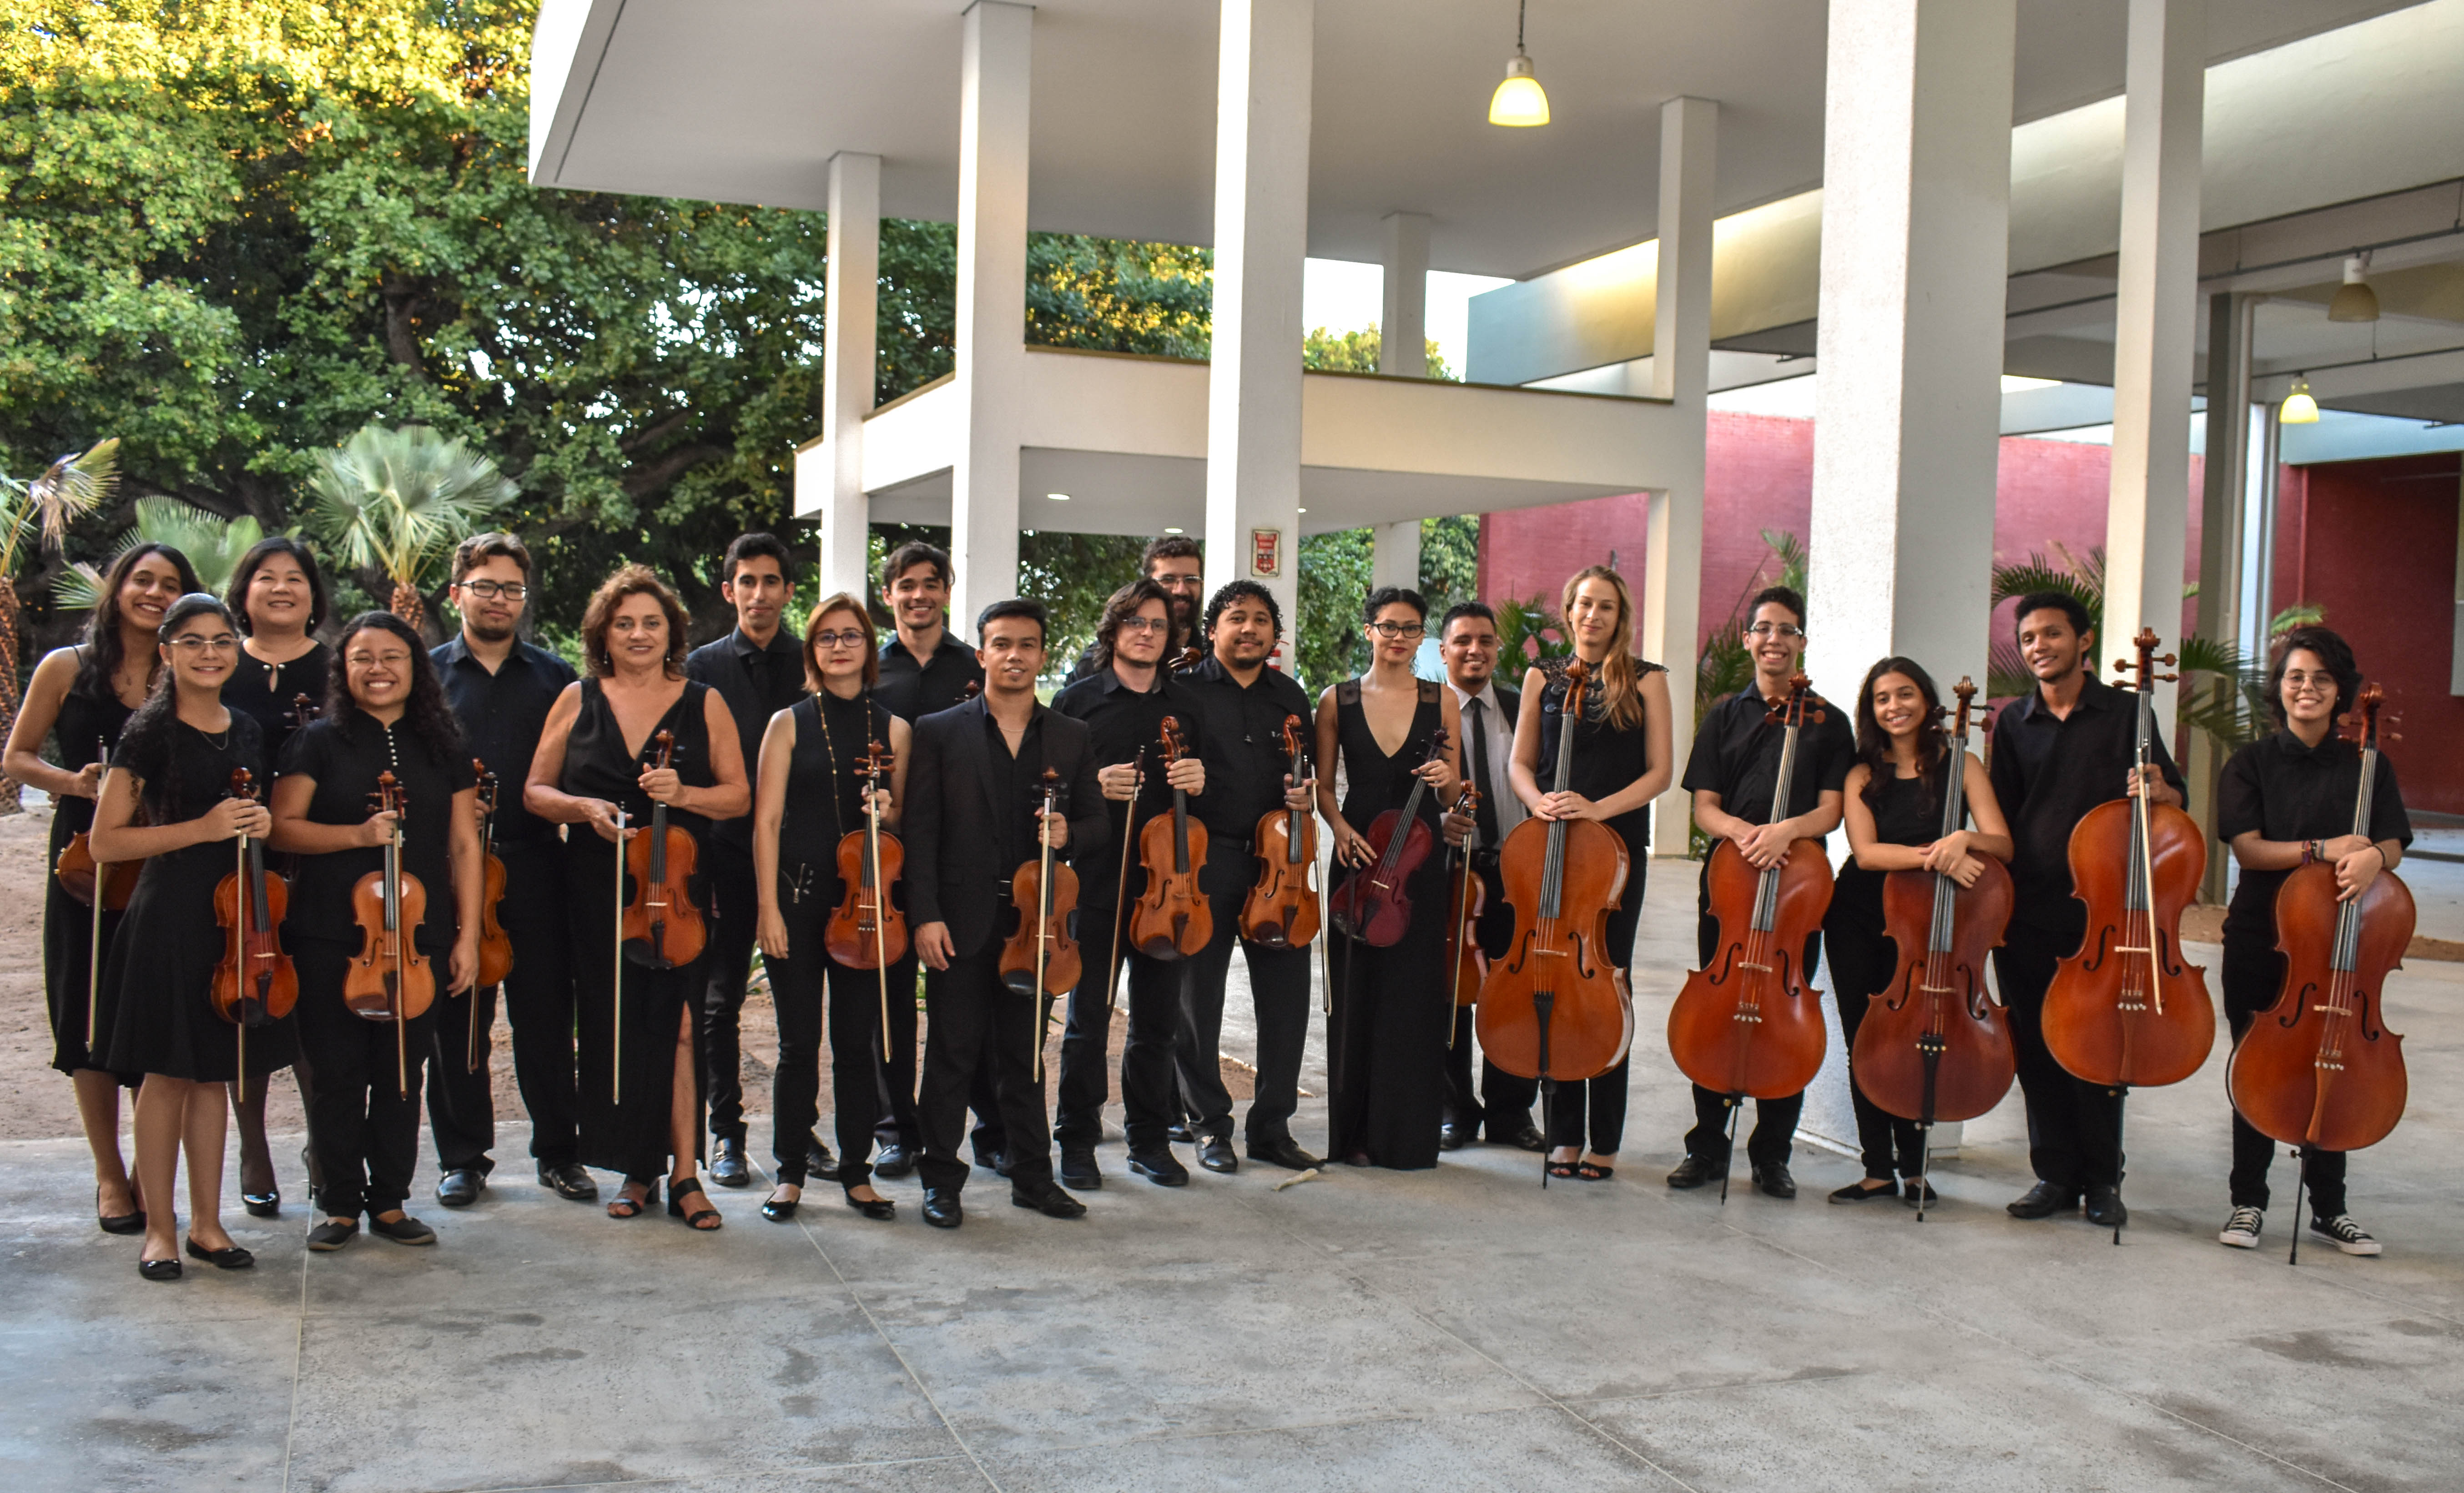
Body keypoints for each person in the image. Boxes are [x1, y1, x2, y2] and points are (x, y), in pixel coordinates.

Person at [525, 566, 751, 1230]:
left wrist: (683, 795)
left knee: (680, 1027)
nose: (639, 633)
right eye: (624, 622)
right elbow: (536, 790)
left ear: (672, 630)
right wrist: (582, 805)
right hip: (597, 887)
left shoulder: (703, 700)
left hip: (678, 885)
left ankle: (685, 1172)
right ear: (603, 633)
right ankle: (636, 1166)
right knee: (617, 1029)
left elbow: (738, 794)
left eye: (652, 622)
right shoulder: (577, 696)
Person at [90, 592, 295, 1279]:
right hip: (171, 912)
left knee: (214, 1074)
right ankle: (160, 1229)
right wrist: (205, 827)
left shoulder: (243, 727)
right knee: (167, 1074)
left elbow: (248, 810)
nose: (210, 652)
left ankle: (209, 1224)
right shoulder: (148, 733)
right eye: (194, 641)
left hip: (232, 918)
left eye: (222, 640)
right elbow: (104, 841)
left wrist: (257, 823)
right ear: (169, 651)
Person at [4, 543, 198, 1239]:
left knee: (150, 1008)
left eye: (169, 584)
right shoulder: (67, 667)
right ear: (118, 587)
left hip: (162, 858)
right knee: (85, 1012)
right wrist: (74, 782)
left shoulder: (188, 668)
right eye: (142, 579)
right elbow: (17, 756)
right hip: (85, 859)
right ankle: (111, 1175)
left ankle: (152, 1174)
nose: (154, 591)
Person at [271, 612, 482, 1252]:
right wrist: (357, 837)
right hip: (330, 933)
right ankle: (337, 1203)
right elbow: (281, 827)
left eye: (392, 656)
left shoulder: (444, 746)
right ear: (344, 668)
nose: (378, 668)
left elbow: (465, 845)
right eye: (362, 657)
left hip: (419, 936)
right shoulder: (317, 740)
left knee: (401, 1071)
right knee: (336, 1071)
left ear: (416, 667)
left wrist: (468, 934)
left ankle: (389, 1200)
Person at [902, 599, 1106, 1229]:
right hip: (959, 920)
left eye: (1027, 644)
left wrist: (1069, 830)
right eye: (1001, 643)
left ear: (1043, 654)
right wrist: (925, 915)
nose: (1014, 654)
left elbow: (1100, 824)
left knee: (1023, 1054)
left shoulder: (1071, 736)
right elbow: (920, 831)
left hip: (1035, 925)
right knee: (952, 1054)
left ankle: (1032, 1177)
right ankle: (940, 1179)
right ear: (982, 653)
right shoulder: (939, 729)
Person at [1988, 591, 2183, 1229]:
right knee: (2038, 1046)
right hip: (2028, 908)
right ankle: (2053, 1173)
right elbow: (2003, 819)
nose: (2038, 645)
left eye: (2051, 633)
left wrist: (2159, 789)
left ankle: (2103, 1178)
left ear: (2084, 640)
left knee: (2098, 1049)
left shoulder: (2129, 711)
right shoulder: (2013, 722)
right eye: (2029, 636)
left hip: (2103, 916)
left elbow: (2173, 797)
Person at [2214, 626, 2409, 1257]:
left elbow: (2393, 841)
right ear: (2280, 688)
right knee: (2259, 1065)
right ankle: (2248, 1200)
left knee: (2335, 1058)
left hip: (2340, 944)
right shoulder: (2250, 762)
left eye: (2321, 678)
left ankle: (2330, 1207)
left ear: (2340, 691)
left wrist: (2376, 857)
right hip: (2259, 938)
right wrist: (2322, 850)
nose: (2307, 687)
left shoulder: (2367, 766)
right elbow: (2247, 846)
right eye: (2296, 676)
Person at [1670, 584, 1853, 1199]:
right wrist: (1745, 833)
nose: (1775, 638)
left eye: (1788, 629)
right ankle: (1707, 1147)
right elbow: (1704, 806)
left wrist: (1786, 832)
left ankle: (1773, 1154)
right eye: (1764, 627)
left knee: (1785, 1015)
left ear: (1802, 642)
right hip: (1729, 883)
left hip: (1798, 888)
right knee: (1718, 1008)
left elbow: (1831, 812)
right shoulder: (1725, 712)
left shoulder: (1830, 720)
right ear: (1748, 638)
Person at [428, 533, 588, 1206]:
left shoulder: (557, 678)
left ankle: (558, 1150)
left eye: (512, 589)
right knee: (459, 1015)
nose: (500, 599)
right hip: (451, 868)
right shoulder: (426, 674)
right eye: (486, 585)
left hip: (535, 862)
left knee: (546, 1015)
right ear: (456, 591)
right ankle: (464, 1156)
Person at [1502, 568, 1673, 1182]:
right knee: (1552, 977)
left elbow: (1660, 772)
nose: (1592, 615)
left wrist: (1598, 809)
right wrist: (1538, 800)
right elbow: (1520, 762)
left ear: (1619, 614)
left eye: (1605, 605)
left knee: (1605, 982)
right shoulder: (1541, 677)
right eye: (1583, 604)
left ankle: (1604, 1139)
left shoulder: (1648, 680)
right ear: (1568, 611)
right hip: (1551, 842)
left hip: (1615, 845)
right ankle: (1563, 1134)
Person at [1827, 657, 2013, 1206]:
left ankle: (1914, 1168)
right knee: (1868, 1037)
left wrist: (1965, 841)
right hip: (1860, 915)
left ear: (1926, 701)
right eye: (1882, 698)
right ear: (1872, 710)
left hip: (1932, 924)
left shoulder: (1963, 763)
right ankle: (1875, 1168)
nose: (1894, 707)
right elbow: (1864, 854)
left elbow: (2000, 841)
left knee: (1920, 1036)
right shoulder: (1862, 773)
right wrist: (1938, 854)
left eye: (1904, 694)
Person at [751, 593, 909, 1223]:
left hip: (864, 905)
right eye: (826, 637)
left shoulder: (894, 728)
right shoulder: (787, 722)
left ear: (869, 648)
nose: (839, 645)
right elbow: (765, 822)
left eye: (851, 635)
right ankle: (790, 1171)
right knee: (797, 1043)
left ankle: (855, 1171)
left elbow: (901, 817)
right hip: (795, 897)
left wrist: (885, 810)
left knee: (854, 1042)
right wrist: (767, 907)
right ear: (811, 650)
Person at [1050, 580, 1209, 1189]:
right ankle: (1078, 1140)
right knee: (1088, 1019)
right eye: (1135, 622)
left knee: (1157, 1022)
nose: (1147, 632)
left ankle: (1147, 1139)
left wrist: (1199, 779)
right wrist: (1090, 782)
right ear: (1114, 629)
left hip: (1170, 887)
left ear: (1171, 637)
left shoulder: (1187, 707)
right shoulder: (1077, 700)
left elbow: (1208, 790)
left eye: (1159, 624)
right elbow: (1048, 789)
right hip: (1096, 882)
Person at [685, 533, 818, 1191]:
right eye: (748, 580)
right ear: (729, 589)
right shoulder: (701, 665)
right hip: (726, 853)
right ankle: (726, 1132)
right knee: (722, 1000)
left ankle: (801, 1129)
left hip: (804, 860)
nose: (760, 593)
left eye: (772, 581)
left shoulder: (813, 659)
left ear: (789, 591)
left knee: (801, 1006)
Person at [1176, 581, 1323, 1173]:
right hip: (1205, 860)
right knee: (1198, 998)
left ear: (1274, 634)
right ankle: (1209, 1125)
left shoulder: (1289, 695)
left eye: (1262, 619)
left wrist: (1303, 790)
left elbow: (1305, 770)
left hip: (1278, 865)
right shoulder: (1181, 690)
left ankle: (1272, 1126)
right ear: (1212, 628)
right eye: (1237, 618)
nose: (1250, 629)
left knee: (1286, 1000)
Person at [1316, 587, 1461, 1170]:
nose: (1398, 637)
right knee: (1354, 998)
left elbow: (1453, 794)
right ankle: (1350, 1133)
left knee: (1411, 999)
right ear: (1368, 629)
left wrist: (1447, 775)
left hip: (1417, 862)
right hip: (1356, 856)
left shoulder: (1440, 698)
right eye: (1387, 626)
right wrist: (1338, 830)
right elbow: (1325, 786)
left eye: (1410, 628)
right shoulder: (1337, 699)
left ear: (1422, 637)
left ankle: (1403, 1139)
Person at [218, 535, 332, 1218]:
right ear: (246, 592)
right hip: (234, 866)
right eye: (267, 577)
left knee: (315, 1007)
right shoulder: (218, 661)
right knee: (246, 1003)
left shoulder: (335, 667)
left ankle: (324, 1142)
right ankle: (254, 1146)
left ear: (314, 596)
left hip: (314, 859)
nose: (282, 588)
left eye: (296, 578)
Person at [871, 541, 993, 1178]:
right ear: (886, 594)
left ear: (947, 590)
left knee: (965, 1000)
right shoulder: (869, 669)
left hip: (960, 855)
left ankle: (986, 1124)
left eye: (930, 583)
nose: (918, 595)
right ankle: (896, 1130)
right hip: (886, 854)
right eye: (905, 585)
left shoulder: (973, 665)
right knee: (889, 997)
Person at [1434, 601, 1542, 1153]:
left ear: (1497, 648)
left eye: (1484, 640)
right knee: (1452, 994)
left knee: (1515, 993)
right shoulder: (1424, 710)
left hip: (1517, 871)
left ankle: (1510, 1113)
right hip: (1453, 873)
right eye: (1462, 641)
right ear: (1443, 651)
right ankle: (1456, 1110)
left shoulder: (1520, 706)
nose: (1474, 650)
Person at [1066, 534, 1205, 680]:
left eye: (1191, 580)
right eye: (1168, 579)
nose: (1181, 590)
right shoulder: (1101, 658)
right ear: (1147, 584)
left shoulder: (1213, 655)